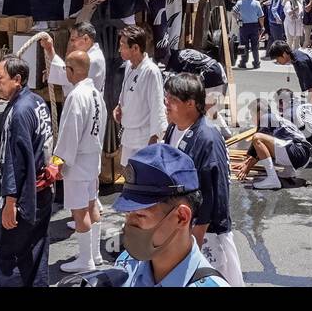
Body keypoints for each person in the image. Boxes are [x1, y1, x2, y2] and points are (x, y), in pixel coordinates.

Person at [160, 73, 242, 284]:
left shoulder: (207, 138)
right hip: (180, 223)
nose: (166, 103)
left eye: (172, 99)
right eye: (166, 96)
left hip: (206, 230)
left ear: (190, 104)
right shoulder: (173, 128)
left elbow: (211, 192)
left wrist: (196, 235)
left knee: (210, 279)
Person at [111, 144, 229, 287]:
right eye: (127, 214)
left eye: (141, 215)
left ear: (181, 217)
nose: (128, 224)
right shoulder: (125, 264)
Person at [0, 55, 54, 287]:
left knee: (7, 255)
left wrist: (11, 203)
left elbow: (16, 162)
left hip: (26, 193)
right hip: (44, 189)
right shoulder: (37, 101)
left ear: (17, 79)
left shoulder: (18, 112)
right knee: (35, 251)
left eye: (0, 78)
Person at [52, 49, 107, 274]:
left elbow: (70, 132)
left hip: (78, 159)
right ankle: (94, 254)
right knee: (92, 204)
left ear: (71, 70)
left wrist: (59, 161)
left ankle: (86, 260)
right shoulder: (95, 93)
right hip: (92, 157)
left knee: (79, 210)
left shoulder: (77, 95)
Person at [114, 25, 166, 167]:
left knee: (143, 177)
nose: (119, 50)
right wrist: (119, 107)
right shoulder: (128, 66)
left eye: (122, 46)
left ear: (135, 48)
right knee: (127, 172)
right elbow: (125, 93)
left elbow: (157, 106)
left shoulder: (151, 71)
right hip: (129, 133)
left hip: (144, 136)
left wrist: (154, 137)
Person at [235, 97, 312, 190]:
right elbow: (257, 149)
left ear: (259, 113)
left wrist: (247, 168)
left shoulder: (266, 117)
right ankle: (289, 171)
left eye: (252, 115)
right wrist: (246, 162)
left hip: (297, 152)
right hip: (303, 155)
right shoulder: (275, 118)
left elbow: (258, 142)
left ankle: (272, 179)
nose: (251, 118)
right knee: (266, 139)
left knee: (257, 138)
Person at [268, 41, 312, 106]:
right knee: (311, 102)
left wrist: (309, 103)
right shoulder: (297, 53)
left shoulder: (300, 62)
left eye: (277, 58)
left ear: (283, 54)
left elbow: (311, 87)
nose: (277, 61)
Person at [233, 0, 264, 68]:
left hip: (244, 26)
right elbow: (261, 16)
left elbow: (234, 12)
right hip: (254, 26)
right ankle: (256, 62)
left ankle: (243, 62)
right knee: (255, 45)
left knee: (244, 45)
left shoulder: (240, 3)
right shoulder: (257, 3)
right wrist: (262, 26)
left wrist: (238, 19)